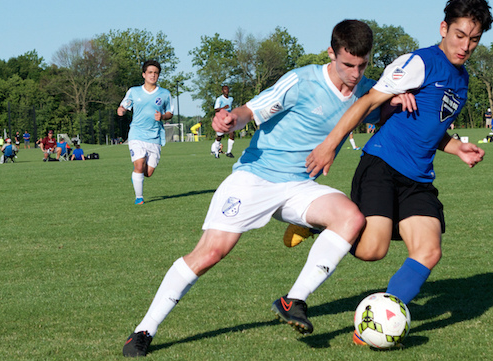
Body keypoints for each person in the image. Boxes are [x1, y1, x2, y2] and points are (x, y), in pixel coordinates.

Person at [121, 20, 416, 358]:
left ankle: (294, 300)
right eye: (348, 64)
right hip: (256, 177)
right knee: (211, 252)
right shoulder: (302, 81)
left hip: (301, 185)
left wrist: (398, 98)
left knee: (351, 218)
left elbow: (380, 111)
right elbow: (251, 111)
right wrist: (231, 119)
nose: (354, 73)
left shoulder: (366, 90)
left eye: (362, 65)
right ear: (332, 53)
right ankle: (143, 331)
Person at [284, 0, 493, 347]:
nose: (465, 46)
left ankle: (376, 325)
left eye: (473, 39)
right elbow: (366, 102)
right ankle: (321, 223)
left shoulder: (463, 79)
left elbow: (429, 126)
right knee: (371, 250)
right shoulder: (419, 62)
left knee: (429, 250)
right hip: (382, 164)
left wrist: (457, 147)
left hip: (418, 178)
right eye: (459, 35)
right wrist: (330, 145)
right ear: (444, 29)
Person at [117, 59, 173, 205]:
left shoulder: (164, 93)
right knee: (139, 165)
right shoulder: (134, 91)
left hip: (155, 136)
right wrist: (121, 110)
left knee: (147, 173)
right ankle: (139, 198)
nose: (153, 75)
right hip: (137, 134)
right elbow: (124, 106)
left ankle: (137, 177)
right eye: (150, 72)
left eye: (156, 73)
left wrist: (162, 116)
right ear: (144, 74)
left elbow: (170, 113)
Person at [211, 85, 235, 158]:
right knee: (220, 136)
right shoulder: (219, 99)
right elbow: (216, 109)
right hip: (221, 119)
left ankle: (229, 152)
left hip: (228, 118)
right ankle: (216, 153)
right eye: (225, 90)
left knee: (232, 134)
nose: (226, 91)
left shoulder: (231, 99)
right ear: (222, 91)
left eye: (227, 89)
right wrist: (223, 108)